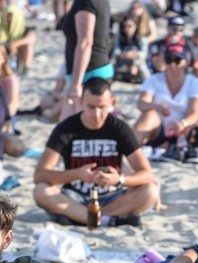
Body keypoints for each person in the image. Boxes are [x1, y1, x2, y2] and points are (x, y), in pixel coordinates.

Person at [33, 78, 160, 227]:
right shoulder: (65, 129)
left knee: (150, 191)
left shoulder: (119, 128)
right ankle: (104, 220)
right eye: (91, 107)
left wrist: (119, 179)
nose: (96, 114)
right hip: (75, 196)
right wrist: (77, 174)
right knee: (41, 190)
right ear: (80, 102)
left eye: (102, 107)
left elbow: (146, 173)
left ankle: (84, 217)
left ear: (112, 103)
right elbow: (40, 175)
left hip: (112, 196)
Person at [133, 42, 198, 163]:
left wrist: (182, 124)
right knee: (148, 114)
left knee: (195, 124)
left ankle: (174, 148)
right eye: (169, 60)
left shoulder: (194, 83)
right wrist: (157, 107)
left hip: (183, 131)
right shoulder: (154, 79)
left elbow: (196, 112)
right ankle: (132, 150)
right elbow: (141, 103)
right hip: (158, 129)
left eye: (177, 60)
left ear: (186, 62)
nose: (173, 65)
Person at [61, 0, 113, 120]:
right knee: (64, 131)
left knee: (79, 129)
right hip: (94, 69)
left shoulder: (85, 2)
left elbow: (85, 42)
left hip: (89, 72)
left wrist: (76, 83)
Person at [0, 0, 36, 76]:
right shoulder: (2, 26)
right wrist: (7, 44)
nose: (9, 19)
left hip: (18, 50)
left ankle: (25, 70)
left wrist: (16, 43)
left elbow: (32, 37)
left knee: (28, 46)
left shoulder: (21, 28)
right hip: (6, 51)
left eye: (11, 16)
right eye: (8, 16)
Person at [113, 15, 149, 85]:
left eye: (130, 26)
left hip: (137, 62)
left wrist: (133, 54)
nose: (127, 29)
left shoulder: (141, 39)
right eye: (125, 26)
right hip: (122, 62)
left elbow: (144, 54)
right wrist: (126, 54)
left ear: (136, 26)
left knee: (142, 65)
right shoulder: (119, 39)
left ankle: (147, 83)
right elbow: (116, 52)